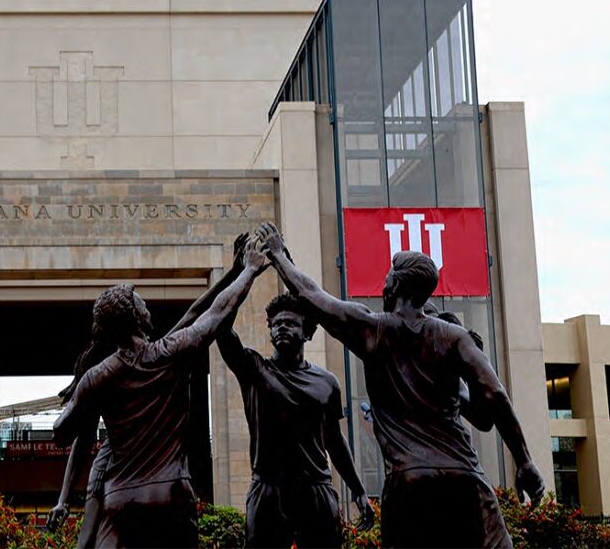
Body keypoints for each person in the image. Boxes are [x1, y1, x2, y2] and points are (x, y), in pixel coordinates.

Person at [258, 221, 544, 549]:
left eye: (387, 276)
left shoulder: (374, 330)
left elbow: (313, 297)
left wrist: (279, 256)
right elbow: (494, 395)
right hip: (464, 474)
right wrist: (524, 461)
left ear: (395, 284)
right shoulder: (454, 337)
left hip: (409, 478)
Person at [53, 236, 270, 548]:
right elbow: (217, 312)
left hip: (121, 499)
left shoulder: (97, 377)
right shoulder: (170, 353)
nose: (145, 304)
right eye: (140, 301)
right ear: (136, 316)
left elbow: (62, 431)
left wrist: (81, 400)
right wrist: (248, 270)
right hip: (170, 496)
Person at [216, 290, 374, 547]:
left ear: (307, 332)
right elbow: (222, 329)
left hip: (315, 490)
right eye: (277, 324)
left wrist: (357, 488)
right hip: (268, 490)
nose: (282, 328)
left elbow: (334, 439)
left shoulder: (327, 383)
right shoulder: (254, 370)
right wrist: (246, 273)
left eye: (290, 323)